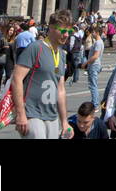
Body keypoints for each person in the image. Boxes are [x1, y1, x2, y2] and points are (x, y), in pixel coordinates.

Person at [11, 10, 72, 139]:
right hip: (32, 113)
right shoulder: (35, 48)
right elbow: (17, 78)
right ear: (50, 28)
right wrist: (21, 113)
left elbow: (60, 89)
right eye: (62, 31)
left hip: (51, 115)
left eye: (69, 31)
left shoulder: (61, 54)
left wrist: (64, 121)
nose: (66, 35)